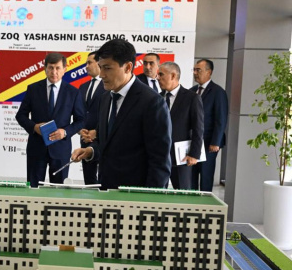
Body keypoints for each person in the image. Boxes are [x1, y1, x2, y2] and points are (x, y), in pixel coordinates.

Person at [71, 39, 172, 190]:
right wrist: (90, 151)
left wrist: (150, 199)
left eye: (107, 68)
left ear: (128, 67)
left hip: (134, 194)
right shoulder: (105, 98)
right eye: (100, 67)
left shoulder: (152, 102)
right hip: (106, 190)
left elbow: (160, 161)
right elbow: (108, 142)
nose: (101, 74)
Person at [15, 53, 85, 187]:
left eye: (58, 68)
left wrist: (65, 132)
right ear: (45, 69)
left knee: (58, 192)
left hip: (61, 150)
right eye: (51, 68)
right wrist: (34, 127)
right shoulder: (33, 89)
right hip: (37, 148)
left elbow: (81, 120)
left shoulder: (73, 92)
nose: (54, 72)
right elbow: (20, 115)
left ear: (65, 69)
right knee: (33, 189)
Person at [157, 62, 204, 190]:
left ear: (173, 75)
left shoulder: (192, 98)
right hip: (158, 156)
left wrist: (194, 154)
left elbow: (198, 128)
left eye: (161, 74)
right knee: (157, 192)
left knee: (183, 192)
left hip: (181, 157)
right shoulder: (157, 98)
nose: (158, 78)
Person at [189, 59, 229, 192]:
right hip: (192, 142)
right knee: (191, 175)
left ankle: (205, 202)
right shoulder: (192, 91)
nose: (195, 73)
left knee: (206, 175)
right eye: (194, 70)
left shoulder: (218, 92)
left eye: (198, 70)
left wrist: (215, 142)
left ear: (209, 72)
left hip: (208, 144)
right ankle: (191, 201)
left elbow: (221, 119)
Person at [78, 51, 107, 185]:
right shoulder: (83, 87)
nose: (86, 66)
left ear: (99, 63)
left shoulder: (108, 86)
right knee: (88, 180)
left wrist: (97, 131)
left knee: (104, 178)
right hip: (85, 138)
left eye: (89, 63)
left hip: (102, 137)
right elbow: (79, 112)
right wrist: (80, 130)